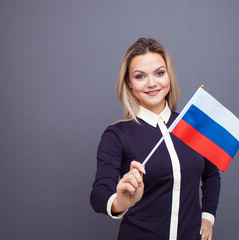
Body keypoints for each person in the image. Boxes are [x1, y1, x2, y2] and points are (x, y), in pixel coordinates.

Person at [90, 38, 220, 240]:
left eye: (159, 73)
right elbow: (98, 194)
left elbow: (211, 174)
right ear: (129, 83)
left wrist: (208, 216)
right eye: (140, 76)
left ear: (169, 76)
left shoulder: (192, 125)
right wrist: (120, 203)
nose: (152, 83)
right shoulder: (117, 135)